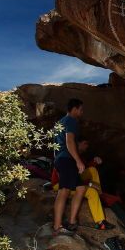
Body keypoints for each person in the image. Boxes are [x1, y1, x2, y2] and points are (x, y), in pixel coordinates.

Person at [51, 138, 115, 230]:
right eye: (85, 143)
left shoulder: (80, 158)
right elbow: (68, 176)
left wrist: (94, 162)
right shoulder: (68, 155)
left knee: (93, 191)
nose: (87, 146)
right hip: (61, 183)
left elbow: (82, 172)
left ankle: (101, 222)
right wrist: (88, 184)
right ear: (77, 143)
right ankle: (61, 224)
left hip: (75, 183)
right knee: (88, 187)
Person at [51, 98, 87, 236]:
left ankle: (72, 222)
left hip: (62, 159)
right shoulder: (71, 120)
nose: (82, 112)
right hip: (67, 159)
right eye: (81, 109)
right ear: (75, 109)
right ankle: (57, 226)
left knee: (80, 188)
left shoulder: (59, 122)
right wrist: (78, 160)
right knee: (64, 190)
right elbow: (69, 141)